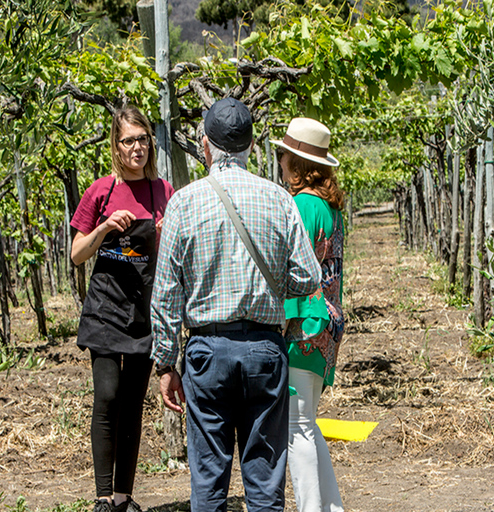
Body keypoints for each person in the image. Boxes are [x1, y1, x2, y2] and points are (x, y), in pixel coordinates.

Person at [150, 97, 322, 512]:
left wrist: (166, 363)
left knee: (208, 480)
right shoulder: (278, 199)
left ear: (205, 146)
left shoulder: (183, 202)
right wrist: (270, 289)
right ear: (249, 147)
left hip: (207, 353)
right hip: (265, 349)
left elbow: (166, 295)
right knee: (265, 481)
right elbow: (308, 276)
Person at [70, 106, 175, 512]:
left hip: (143, 313)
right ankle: (100, 496)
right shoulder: (101, 191)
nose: (137, 147)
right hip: (105, 308)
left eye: (143, 138)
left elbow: (168, 258)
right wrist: (104, 226)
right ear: (116, 146)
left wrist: (165, 234)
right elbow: (77, 255)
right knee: (108, 396)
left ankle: (122, 496)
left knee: (133, 403)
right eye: (129, 140)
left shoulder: (162, 191)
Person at [272, 118, 346, 512]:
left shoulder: (302, 204)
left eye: (283, 155)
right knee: (308, 424)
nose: (279, 161)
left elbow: (289, 266)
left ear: (297, 164)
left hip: (303, 325)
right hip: (326, 326)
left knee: (295, 429)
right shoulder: (330, 209)